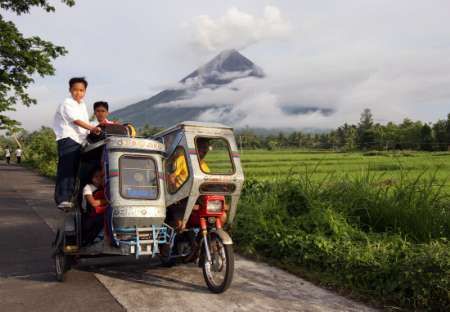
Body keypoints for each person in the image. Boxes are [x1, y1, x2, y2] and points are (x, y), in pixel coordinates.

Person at [52, 77, 101, 210]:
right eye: (75, 90)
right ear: (70, 90)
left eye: (81, 90)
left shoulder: (82, 105)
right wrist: (92, 128)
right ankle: (62, 199)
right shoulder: (67, 103)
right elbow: (76, 121)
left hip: (79, 140)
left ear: (85, 91)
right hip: (68, 139)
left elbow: (86, 122)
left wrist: (99, 126)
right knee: (66, 169)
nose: (78, 93)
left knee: (75, 171)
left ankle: (72, 198)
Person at [81, 168, 107, 245]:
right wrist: (108, 201)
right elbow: (93, 203)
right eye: (96, 176)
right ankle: (98, 237)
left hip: (101, 213)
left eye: (101, 176)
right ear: (91, 178)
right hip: (89, 216)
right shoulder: (88, 187)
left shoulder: (105, 188)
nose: (99, 178)